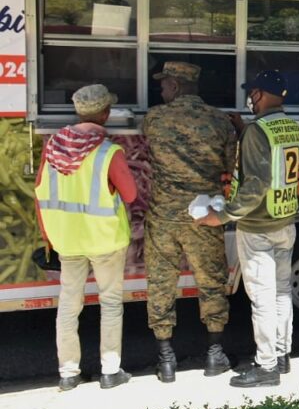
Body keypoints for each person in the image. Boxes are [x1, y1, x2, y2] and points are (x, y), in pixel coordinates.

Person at [196, 70, 299, 388]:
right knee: (282, 293)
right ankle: (282, 356)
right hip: (286, 221)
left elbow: (256, 182)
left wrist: (223, 216)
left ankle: (266, 367)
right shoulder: (289, 126)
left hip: (258, 227)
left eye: (253, 92)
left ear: (260, 93)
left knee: (263, 299)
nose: (250, 98)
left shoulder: (258, 131)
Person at [35, 84, 136, 391]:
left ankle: (68, 373)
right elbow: (130, 194)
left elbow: (39, 192)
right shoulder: (108, 152)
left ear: (78, 111)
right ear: (105, 113)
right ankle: (110, 370)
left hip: (67, 240)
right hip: (105, 240)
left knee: (68, 305)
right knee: (110, 303)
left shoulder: (53, 147)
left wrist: (48, 236)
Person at [142, 61, 236, 382]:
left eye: (164, 84)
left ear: (177, 85)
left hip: (164, 216)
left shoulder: (153, 118)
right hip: (205, 214)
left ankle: (166, 360)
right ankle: (214, 354)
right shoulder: (221, 121)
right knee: (211, 281)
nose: (161, 89)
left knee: (161, 283)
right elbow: (229, 165)